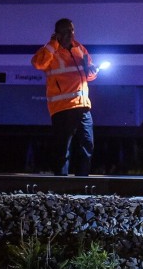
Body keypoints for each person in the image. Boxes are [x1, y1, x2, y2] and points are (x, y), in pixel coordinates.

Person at [31, 18, 100, 176]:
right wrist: (53, 44)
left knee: (87, 144)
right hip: (62, 108)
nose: (71, 34)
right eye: (67, 31)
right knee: (62, 149)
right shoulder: (51, 51)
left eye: (72, 30)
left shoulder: (79, 48)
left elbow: (88, 74)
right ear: (58, 34)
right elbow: (38, 63)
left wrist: (92, 71)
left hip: (82, 105)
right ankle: (61, 184)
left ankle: (82, 181)